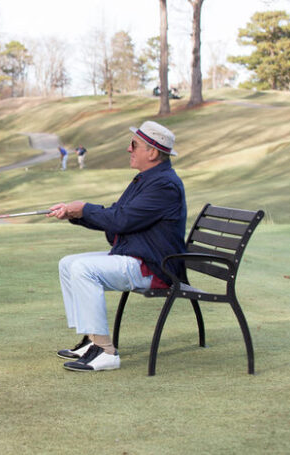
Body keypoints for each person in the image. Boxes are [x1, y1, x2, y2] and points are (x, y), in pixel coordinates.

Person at [46, 121, 186, 372]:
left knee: (83, 268)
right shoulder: (147, 180)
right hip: (138, 257)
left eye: (134, 145)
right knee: (68, 263)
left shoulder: (164, 185)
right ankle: (91, 341)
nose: (128, 149)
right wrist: (75, 214)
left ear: (152, 153)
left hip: (155, 268)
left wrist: (84, 209)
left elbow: (120, 220)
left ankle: (105, 351)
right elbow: (117, 218)